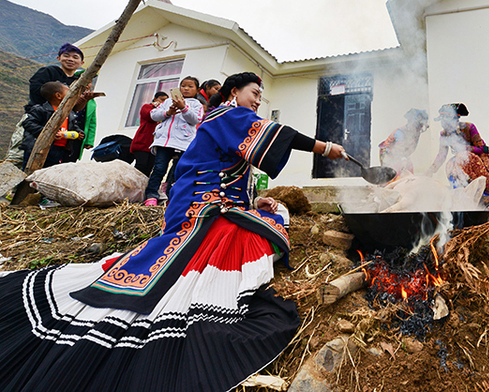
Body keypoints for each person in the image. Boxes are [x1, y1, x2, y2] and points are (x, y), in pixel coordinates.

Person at [0, 71, 347, 392]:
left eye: (260, 96)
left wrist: (256, 203)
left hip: (210, 198)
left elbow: (231, 174)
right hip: (199, 201)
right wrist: (326, 148)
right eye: (254, 93)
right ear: (233, 93)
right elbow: (278, 135)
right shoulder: (227, 115)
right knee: (239, 238)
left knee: (263, 220)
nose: (258, 101)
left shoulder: (228, 121)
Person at [6, 43, 94, 168]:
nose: (70, 59)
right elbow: (36, 92)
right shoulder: (48, 71)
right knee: (18, 158)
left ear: (81, 62)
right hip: (38, 118)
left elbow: (73, 108)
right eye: (66, 56)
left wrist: (83, 99)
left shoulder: (79, 82)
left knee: (51, 164)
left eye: (75, 57)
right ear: (59, 58)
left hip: (62, 126)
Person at [143, 76, 203, 205]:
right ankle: (151, 195)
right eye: (183, 85)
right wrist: (168, 112)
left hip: (183, 144)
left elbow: (196, 119)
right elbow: (153, 115)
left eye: (190, 86)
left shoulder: (196, 104)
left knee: (177, 172)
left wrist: (184, 108)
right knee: (159, 169)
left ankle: (171, 197)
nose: (186, 88)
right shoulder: (168, 101)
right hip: (164, 142)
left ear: (197, 90)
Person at [426, 103, 489, 196]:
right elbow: (442, 155)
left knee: (460, 158)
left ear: (455, 120)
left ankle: (486, 193)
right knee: (450, 164)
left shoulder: (469, 127)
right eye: (442, 121)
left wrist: (465, 149)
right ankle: (461, 193)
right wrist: (431, 170)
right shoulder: (444, 134)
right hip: (460, 160)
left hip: (479, 158)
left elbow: (481, 149)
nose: (444, 124)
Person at [20, 81, 83, 169]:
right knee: (32, 172)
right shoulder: (41, 110)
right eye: (69, 92)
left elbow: (72, 125)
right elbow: (28, 123)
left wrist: (78, 132)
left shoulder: (69, 111)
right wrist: (48, 133)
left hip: (60, 149)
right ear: (58, 96)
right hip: (40, 149)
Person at [378, 108, 429, 176]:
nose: (420, 127)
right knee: (392, 172)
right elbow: (399, 147)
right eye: (419, 125)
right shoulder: (400, 132)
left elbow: (410, 149)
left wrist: (405, 158)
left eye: (421, 126)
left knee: (409, 168)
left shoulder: (416, 134)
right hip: (389, 154)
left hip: (403, 155)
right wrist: (403, 159)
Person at [130, 91, 169, 175]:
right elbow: (150, 116)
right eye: (162, 99)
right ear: (155, 99)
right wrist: (157, 109)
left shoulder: (164, 112)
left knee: (149, 168)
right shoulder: (147, 107)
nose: (163, 102)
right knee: (140, 166)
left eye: (165, 101)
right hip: (142, 142)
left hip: (154, 144)